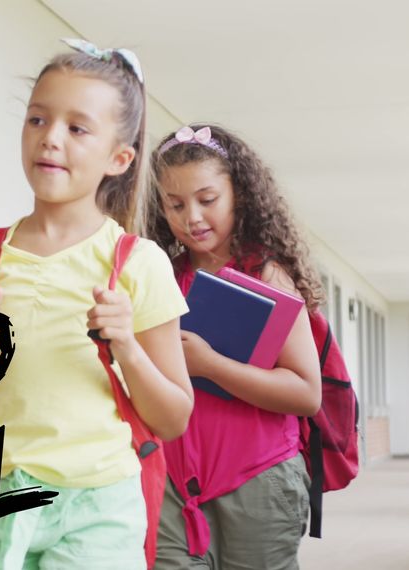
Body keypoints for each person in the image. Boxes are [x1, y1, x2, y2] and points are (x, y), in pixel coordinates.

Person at [0, 40, 193, 569]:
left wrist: (128, 349)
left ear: (119, 158)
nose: (50, 139)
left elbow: (174, 418)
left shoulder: (138, 263)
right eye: (37, 120)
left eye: (76, 128)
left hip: (98, 509)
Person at [147, 124, 322, 570]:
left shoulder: (267, 276)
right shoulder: (157, 277)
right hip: (172, 482)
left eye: (208, 200)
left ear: (238, 195)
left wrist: (210, 365)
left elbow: (306, 393)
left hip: (258, 478)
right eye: (175, 204)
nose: (192, 217)